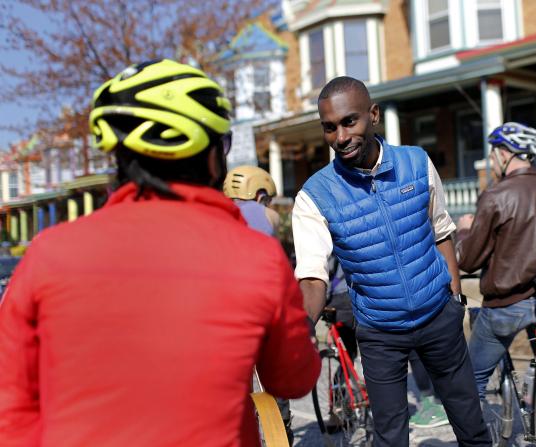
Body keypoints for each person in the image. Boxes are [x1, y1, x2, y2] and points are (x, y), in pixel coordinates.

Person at [0, 59, 320, 446]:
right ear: (214, 156)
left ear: (119, 156)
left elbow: (11, 407)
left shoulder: (47, 255)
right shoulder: (257, 258)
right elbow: (293, 377)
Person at [292, 76, 491, 447]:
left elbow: (442, 231)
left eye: (350, 122)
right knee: (389, 437)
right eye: (329, 128)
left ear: (374, 115)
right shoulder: (314, 197)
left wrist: (455, 299)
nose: (340, 137)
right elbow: (311, 278)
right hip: (380, 332)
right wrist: (301, 326)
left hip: (438, 317)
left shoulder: (416, 162)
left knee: (471, 423)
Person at [456, 122, 536, 402]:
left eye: (493, 153)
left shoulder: (496, 195)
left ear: (503, 153)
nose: (491, 160)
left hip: (505, 305)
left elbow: (470, 260)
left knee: (471, 378)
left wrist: (464, 230)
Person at [223, 165, 294, 445]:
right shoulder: (266, 215)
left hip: (225, 317)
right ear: (261, 193)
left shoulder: (215, 215)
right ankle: (282, 429)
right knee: (275, 382)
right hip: (260, 310)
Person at [223, 165, 280, 236]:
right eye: (268, 200)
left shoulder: (218, 213)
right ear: (260, 197)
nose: (268, 204)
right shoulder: (271, 216)